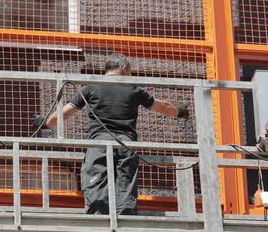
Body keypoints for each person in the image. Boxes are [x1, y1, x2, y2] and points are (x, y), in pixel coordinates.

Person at [33, 53, 189, 215]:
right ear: (125, 68)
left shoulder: (91, 87)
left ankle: (99, 220)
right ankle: (125, 219)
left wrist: (44, 122)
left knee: (96, 185)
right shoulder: (134, 90)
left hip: (99, 144)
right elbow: (163, 107)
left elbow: (64, 113)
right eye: (130, 72)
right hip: (126, 145)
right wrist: (180, 112)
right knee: (125, 186)